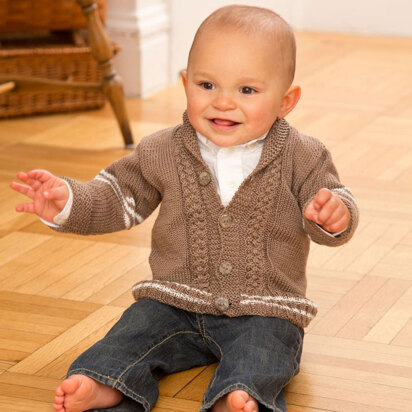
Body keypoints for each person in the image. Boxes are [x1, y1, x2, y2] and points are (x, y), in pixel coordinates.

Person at [10, 5, 359, 412]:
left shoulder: (305, 155)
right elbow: (118, 198)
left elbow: (333, 203)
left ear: (286, 101)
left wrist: (335, 215)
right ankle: (106, 380)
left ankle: (238, 394)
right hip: (173, 300)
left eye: (247, 91)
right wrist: (69, 201)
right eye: (207, 84)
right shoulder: (162, 149)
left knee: (268, 351)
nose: (223, 102)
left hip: (267, 306)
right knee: (130, 332)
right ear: (185, 83)